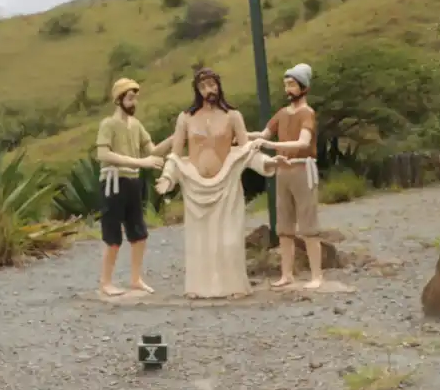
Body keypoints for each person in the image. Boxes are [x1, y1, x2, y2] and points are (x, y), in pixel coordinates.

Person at [155, 68, 283, 299]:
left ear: (219, 86)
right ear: (197, 90)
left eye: (212, 85)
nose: (209, 90)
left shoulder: (233, 116)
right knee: (199, 240)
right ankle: (199, 287)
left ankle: (233, 285)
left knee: (229, 239)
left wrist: (267, 162)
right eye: (203, 86)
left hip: (227, 185)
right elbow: (175, 154)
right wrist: (167, 177)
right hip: (195, 186)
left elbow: (246, 150)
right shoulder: (185, 118)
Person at [247, 63, 324, 289]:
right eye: (286, 84)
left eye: (292, 84)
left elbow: (303, 142)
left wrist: (269, 144)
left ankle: (316, 275)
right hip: (283, 170)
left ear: (303, 86)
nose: (288, 89)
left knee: (309, 224)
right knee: (284, 225)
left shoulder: (307, 113)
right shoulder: (282, 113)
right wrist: (242, 135)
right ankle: (286, 273)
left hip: (301, 168)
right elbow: (263, 133)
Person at [96, 78, 172, 296]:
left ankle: (136, 278)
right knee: (112, 234)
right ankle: (106, 282)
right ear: (119, 100)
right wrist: (141, 162)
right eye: (129, 98)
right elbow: (103, 154)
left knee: (139, 233)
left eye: (134, 98)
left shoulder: (136, 125)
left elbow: (153, 150)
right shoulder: (108, 124)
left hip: (133, 182)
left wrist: (176, 135)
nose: (133, 102)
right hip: (113, 181)